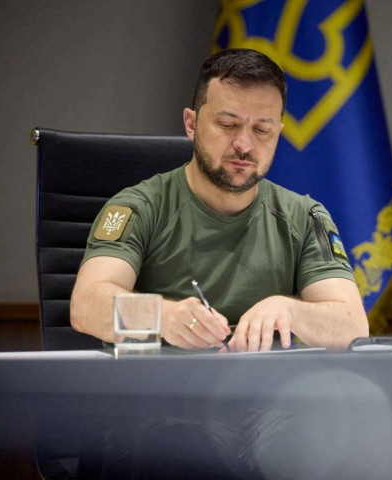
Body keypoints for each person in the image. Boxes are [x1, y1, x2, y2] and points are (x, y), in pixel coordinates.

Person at [70, 48, 368, 352]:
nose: (244, 144)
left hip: (263, 393)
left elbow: (353, 327)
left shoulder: (304, 218)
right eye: (227, 125)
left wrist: (291, 311)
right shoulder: (140, 208)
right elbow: (86, 307)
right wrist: (162, 316)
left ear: (278, 133)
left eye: (262, 130)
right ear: (191, 124)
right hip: (161, 389)